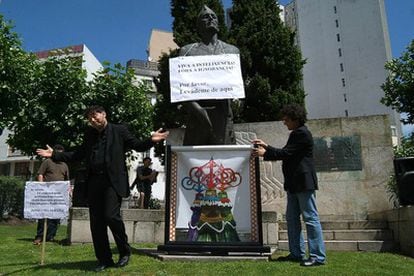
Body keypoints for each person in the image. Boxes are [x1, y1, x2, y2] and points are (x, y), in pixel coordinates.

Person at [36, 105, 169, 272]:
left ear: (104, 114)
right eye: (89, 117)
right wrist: (55, 154)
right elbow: (78, 154)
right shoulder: (89, 134)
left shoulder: (119, 130)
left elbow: (137, 144)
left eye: (95, 115)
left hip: (112, 183)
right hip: (94, 182)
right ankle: (104, 259)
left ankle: (124, 252)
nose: (92, 119)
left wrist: (151, 140)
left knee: (111, 216)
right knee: (97, 223)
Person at [252, 104, 326, 267]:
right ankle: (296, 253)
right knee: (292, 219)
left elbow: (286, 153)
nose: (284, 121)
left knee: (310, 218)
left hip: (303, 183)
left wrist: (266, 152)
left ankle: (317, 256)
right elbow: (288, 152)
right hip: (293, 184)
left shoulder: (302, 133)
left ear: (295, 118)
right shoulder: (296, 134)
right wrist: (267, 147)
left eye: (286, 119)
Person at [179, 5, 239, 146]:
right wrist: (196, 109)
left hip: (223, 114)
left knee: (224, 163)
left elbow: (235, 83)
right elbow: (181, 87)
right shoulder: (187, 51)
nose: (211, 18)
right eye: (206, 17)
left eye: (214, 16)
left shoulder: (231, 51)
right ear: (198, 25)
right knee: (195, 163)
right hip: (197, 114)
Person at [33, 144, 69, 245]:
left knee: (56, 216)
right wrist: (41, 187)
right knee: (43, 215)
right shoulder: (47, 162)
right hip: (47, 193)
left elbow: (67, 180)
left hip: (59, 194)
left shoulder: (64, 165)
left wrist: (68, 190)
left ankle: (50, 236)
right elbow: (40, 174)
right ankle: (39, 236)